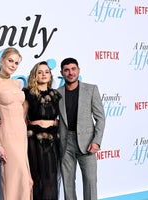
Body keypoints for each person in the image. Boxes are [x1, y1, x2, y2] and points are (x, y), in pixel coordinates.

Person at [0, 47, 33, 199]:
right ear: (2, 60)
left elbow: (22, 110)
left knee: (26, 179)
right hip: (7, 135)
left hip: (21, 134)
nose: (13, 65)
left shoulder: (17, 84)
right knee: (13, 177)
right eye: (10, 61)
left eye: (16, 63)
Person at [57, 57, 105, 200]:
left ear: (78, 70)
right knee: (68, 184)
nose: (70, 73)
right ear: (62, 73)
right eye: (66, 70)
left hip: (87, 142)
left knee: (90, 182)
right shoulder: (56, 93)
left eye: (73, 69)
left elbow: (100, 118)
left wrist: (96, 141)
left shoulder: (91, 89)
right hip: (66, 144)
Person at [23, 61, 61, 200]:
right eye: (40, 72)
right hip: (34, 139)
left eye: (47, 72)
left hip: (52, 139)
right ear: (35, 75)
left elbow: (62, 118)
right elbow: (21, 117)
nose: (44, 74)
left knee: (51, 177)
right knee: (37, 177)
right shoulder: (28, 93)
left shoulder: (56, 94)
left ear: (50, 75)